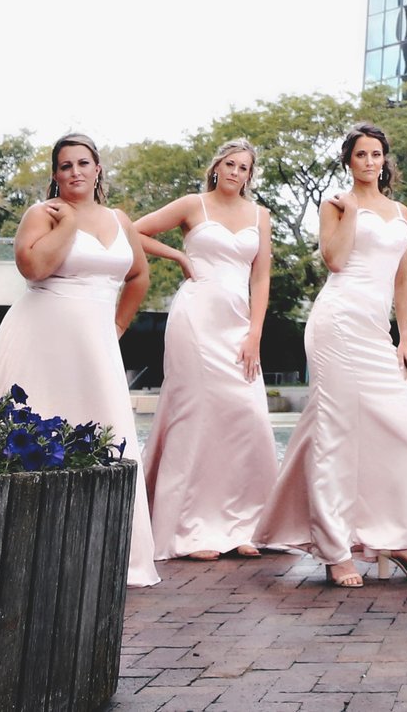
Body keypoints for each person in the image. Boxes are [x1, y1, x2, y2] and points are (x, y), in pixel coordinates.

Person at [258, 122, 407, 586]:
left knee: (402, 427)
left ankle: (399, 537)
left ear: (385, 160)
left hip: (375, 331)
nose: (370, 162)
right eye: (361, 155)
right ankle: (335, 550)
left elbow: (404, 279)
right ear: (349, 161)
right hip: (337, 324)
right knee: (336, 433)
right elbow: (334, 260)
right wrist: (350, 213)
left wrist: (405, 339)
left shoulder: (401, 211)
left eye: (377, 155)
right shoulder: (335, 204)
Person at [0, 132, 159, 585]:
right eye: (66, 165)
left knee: (104, 431)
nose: (75, 172)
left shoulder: (119, 219)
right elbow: (33, 269)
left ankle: (105, 549)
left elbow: (138, 274)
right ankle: (16, 545)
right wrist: (68, 226)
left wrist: (116, 328)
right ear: (55, 174)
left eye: (83, 163)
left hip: (96, 345)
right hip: (41, 335)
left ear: (98, 169)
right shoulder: (44, 214)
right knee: (32, 424)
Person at [133, 136, 278, 561]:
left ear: (250, 175)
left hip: (238, 325)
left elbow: (261, 278)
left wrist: (255, 333)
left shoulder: (260, 215)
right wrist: (178, 256)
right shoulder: (191, 205)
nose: (236, 172)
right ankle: (188, 529)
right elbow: (131, 230)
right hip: (195, 320)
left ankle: (243, 525)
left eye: (244, 168)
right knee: (195, 417)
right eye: (230, 165)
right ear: (217, 167)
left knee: (247, 414)